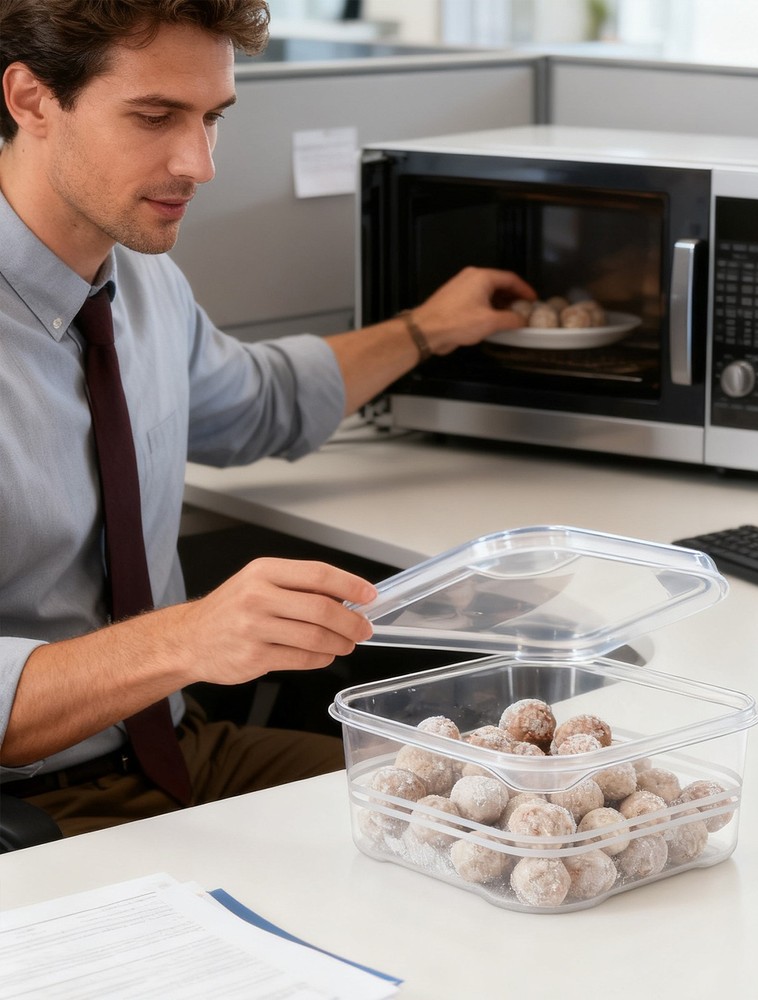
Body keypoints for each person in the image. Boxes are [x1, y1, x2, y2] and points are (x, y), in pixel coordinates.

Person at [0, 0, 535, 836]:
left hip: (183, 752)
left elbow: (260, 403)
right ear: (32, 100)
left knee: (499, 820)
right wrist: (189, 640)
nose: (200, 162)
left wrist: (428, 329)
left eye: (212, 117)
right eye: (154, 117)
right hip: (32, 808)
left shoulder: (139, 280)